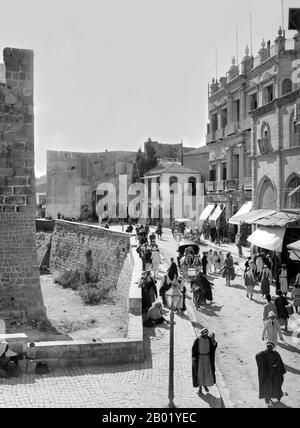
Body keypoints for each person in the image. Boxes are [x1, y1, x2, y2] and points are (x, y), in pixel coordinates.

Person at [255, 341, 286, 407]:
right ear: (272, 347)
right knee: (273, 386)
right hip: (273, 375)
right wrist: (274, 365)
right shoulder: (275, 354)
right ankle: (271, 397)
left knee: (267, 387)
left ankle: (267, 398)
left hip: (266, 375)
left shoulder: (261, 354)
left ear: (266, 347)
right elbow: (279, 363)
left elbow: (257, 356)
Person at [192, 328, 217, 395]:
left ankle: (205, 385)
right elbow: (194, 349)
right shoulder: (198, 340)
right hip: (200, 359)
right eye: (205, 334)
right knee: (200, 373)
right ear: (202, 334)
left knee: (206, 373)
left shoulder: (209, 339)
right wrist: (194, 357)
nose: (206, 335)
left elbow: (213, 346)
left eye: (207, 334)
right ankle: (200, 388)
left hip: (207, 359)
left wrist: (213, 340)